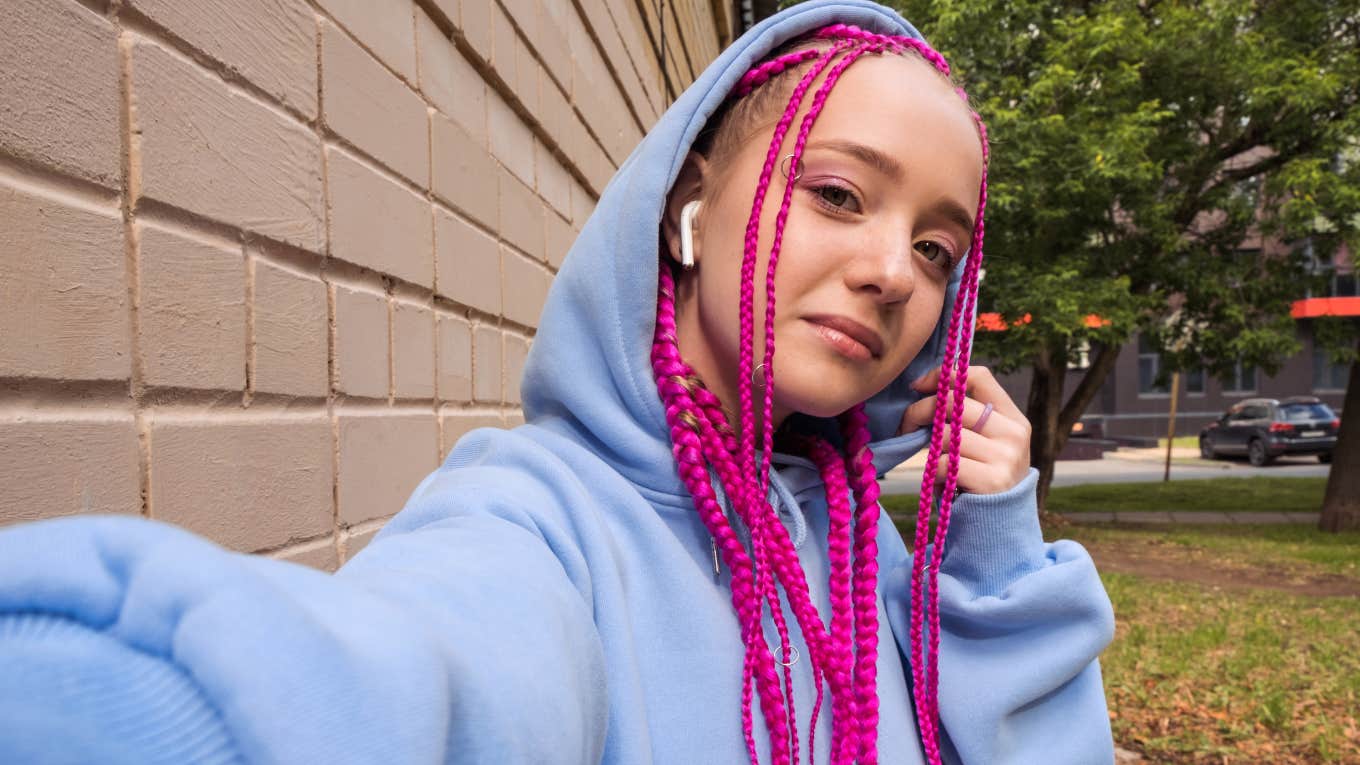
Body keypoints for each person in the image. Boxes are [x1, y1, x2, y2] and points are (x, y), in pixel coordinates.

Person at [0, 1, 1115, 763]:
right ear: (687, 206)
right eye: (836, 193)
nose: (889, 272)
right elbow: (432, 665)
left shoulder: (870, 548)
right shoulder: (537, 517)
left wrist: (994, 553)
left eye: (935, 249)